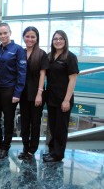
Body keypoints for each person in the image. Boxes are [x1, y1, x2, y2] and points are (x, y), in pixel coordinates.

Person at [0, 22, 27, 159]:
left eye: (5, 33)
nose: (3, 36)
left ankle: (5, 147)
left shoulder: (18, 50)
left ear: (10, 33)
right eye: (0, 33)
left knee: (8, 120)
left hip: (10, 90)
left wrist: (17, 93)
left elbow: (22, 73)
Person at [43, 30, 79, 162]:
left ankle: (58, 155)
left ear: (65, 41)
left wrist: (66, 100)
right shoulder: (49, 56)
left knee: (61, 128)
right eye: (55, 39)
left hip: (64, 99)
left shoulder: (70, 57)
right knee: (53, 126)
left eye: (61, 38)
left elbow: (73, 80)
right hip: (51, 97)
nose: (58, 41)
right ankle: (52, 151)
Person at [18, 26, 49, 161]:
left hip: (36, 94)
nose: (30, 39)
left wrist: (39, 93)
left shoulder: (41, 54)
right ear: (24, 37)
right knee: (24, 122)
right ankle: (25, 147)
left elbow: (43, 75)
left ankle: (32, 150)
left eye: (33, 37)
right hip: (23, 93)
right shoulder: (21, 52)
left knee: (35, 123)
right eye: (27, 36)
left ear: (36, 39)